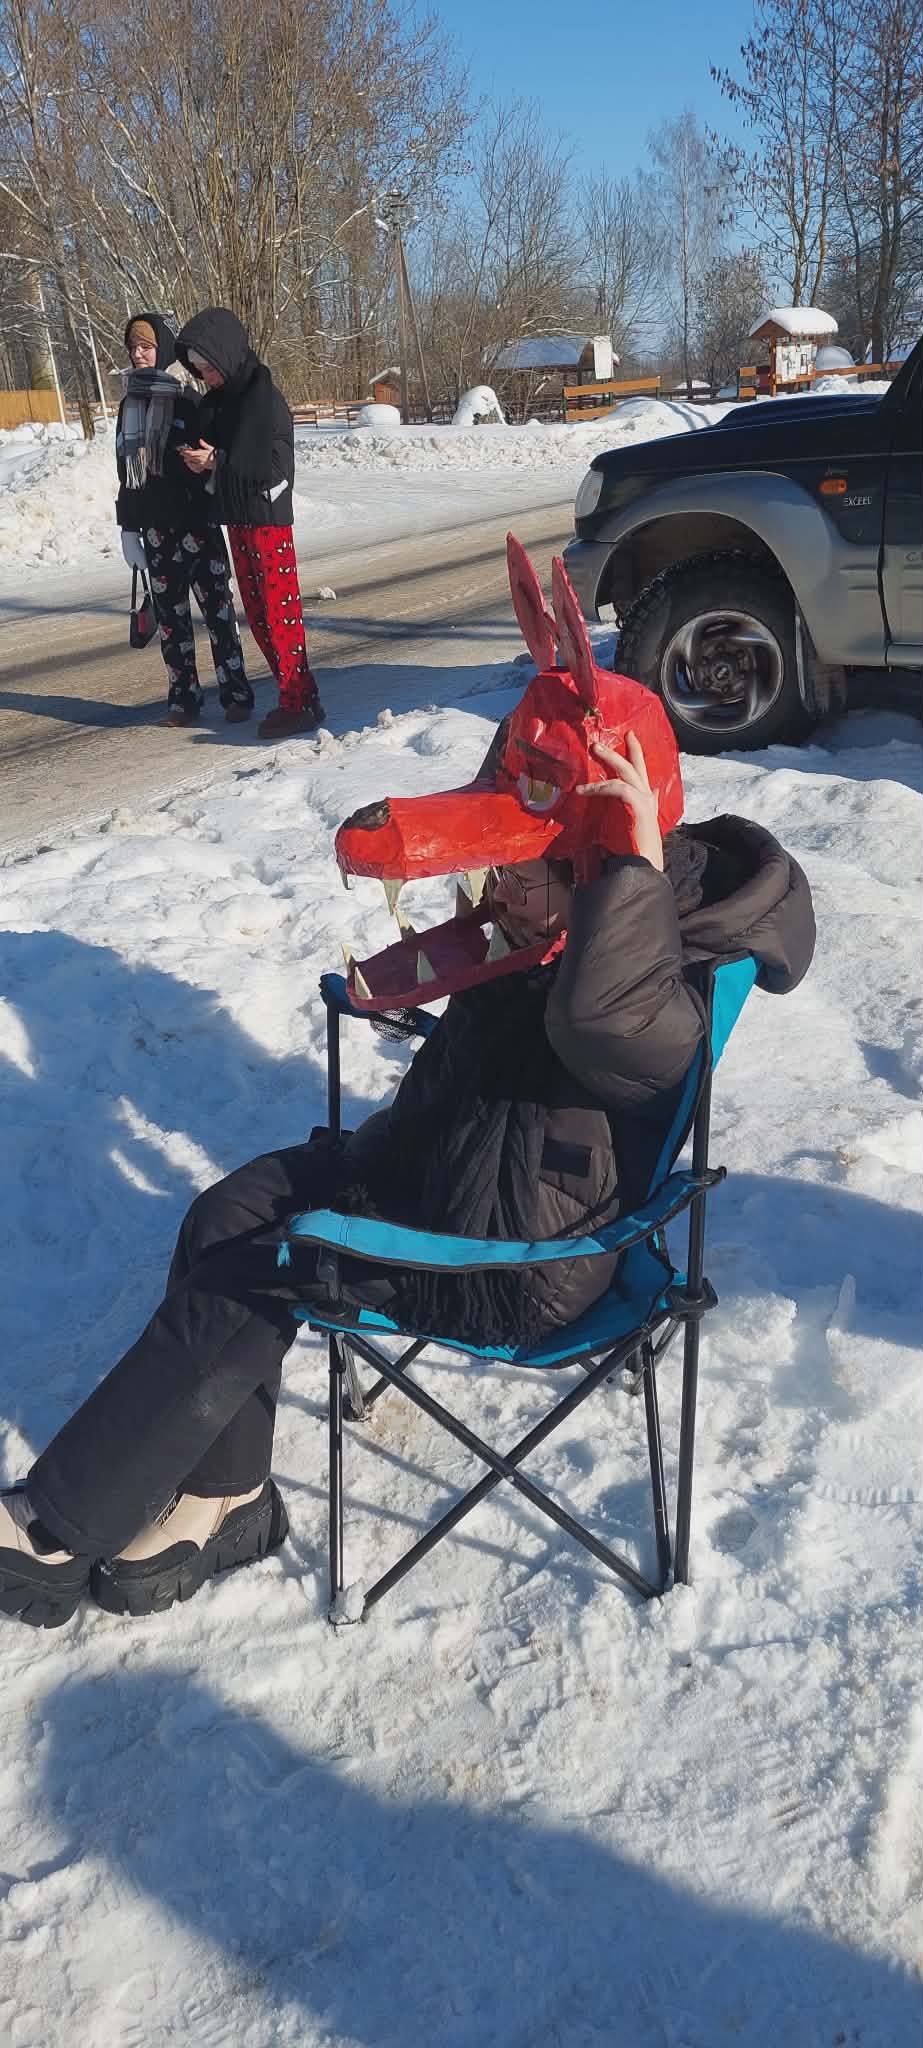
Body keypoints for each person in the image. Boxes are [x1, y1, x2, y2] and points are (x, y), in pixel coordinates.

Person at [0, 735, 814, 1631]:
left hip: (511, 1263)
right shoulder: (550, 928)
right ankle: (228, 1499)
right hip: (425, 1177)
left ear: (596, 881)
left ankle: (55, 1526)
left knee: (252, 1275)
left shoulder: (650, 991)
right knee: (224, 1215)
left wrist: (627, 869)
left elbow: (600, 1019)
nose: (498, 894)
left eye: (520, 877)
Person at [173, 308, 324, 742]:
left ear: (226, 355)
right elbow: (222, 450)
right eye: (199, 371)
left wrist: (217, 461)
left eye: (210, 368)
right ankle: (297, 697)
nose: (207, 378)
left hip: (267, 521)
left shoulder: (263, 398)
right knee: (258, 616)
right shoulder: (224, 401)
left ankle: (299, 702)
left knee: (280, 616)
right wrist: (204, 459)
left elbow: (271, 467)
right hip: (238, 518)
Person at [116, 312, 254, 729]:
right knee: (172, 623)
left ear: (162, 348)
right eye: (133, 347)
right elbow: (127, 475)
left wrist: (205, 469)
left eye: (146, 346)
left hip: (198, 524)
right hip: (157, 530)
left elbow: (215, 458)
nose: (138, 354)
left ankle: (236, 694)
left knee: (218, 615)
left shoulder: (189, 399)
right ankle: (184, 700)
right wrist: (128, 528)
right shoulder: (129, 405)